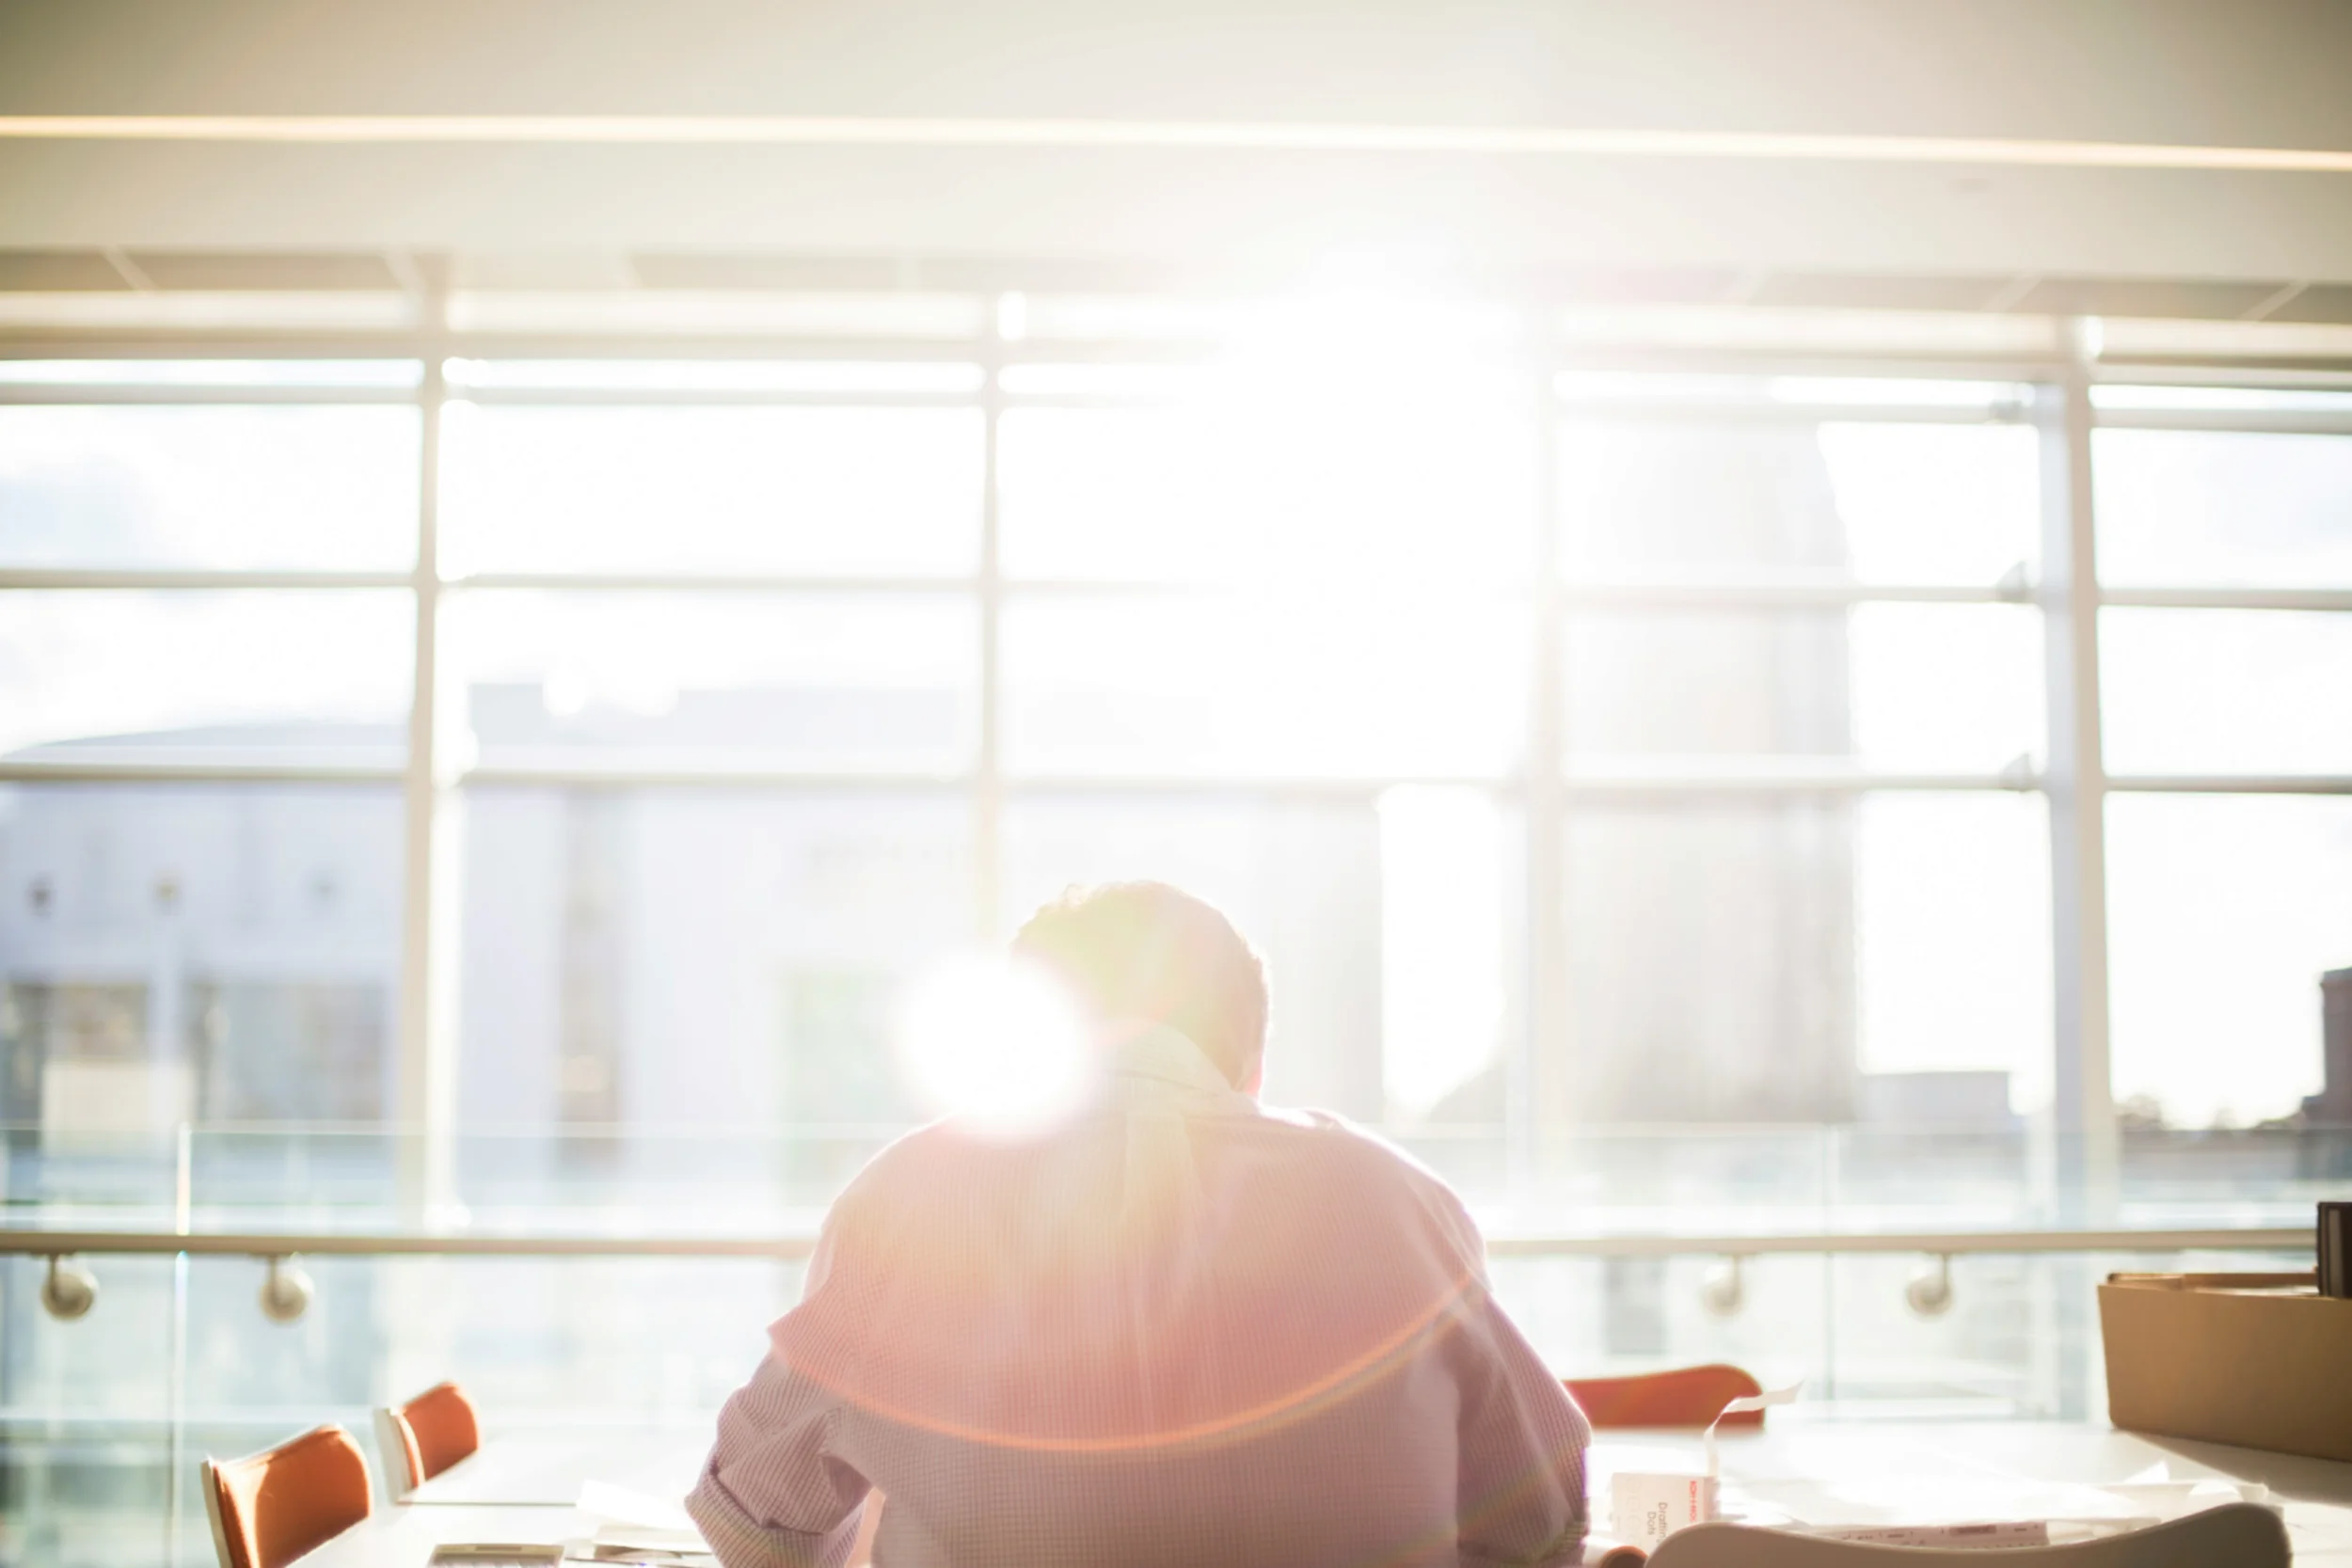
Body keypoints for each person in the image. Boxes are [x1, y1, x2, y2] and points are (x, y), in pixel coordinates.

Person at [689, 880, 1590, 1567]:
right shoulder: (1398, 1201)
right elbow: (1541, 1517)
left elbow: (754, 1519)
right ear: (1252, 1062)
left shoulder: (911, 1197)